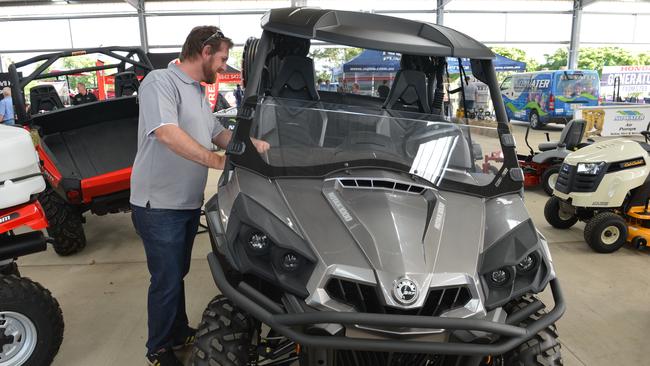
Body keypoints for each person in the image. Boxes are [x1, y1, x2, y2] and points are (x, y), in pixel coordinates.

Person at [129, 26, 270, 366]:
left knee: (176, 274)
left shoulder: (195, 91)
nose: (224, 66)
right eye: (222, 58)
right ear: (205, 51)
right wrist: (217, 162)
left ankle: (176, 332)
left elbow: (217, 132)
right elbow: (166, 133)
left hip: (185, 202)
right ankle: (159, 349)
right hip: (158, 204)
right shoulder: (160, 82)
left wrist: (252, 147)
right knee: (165, 279)